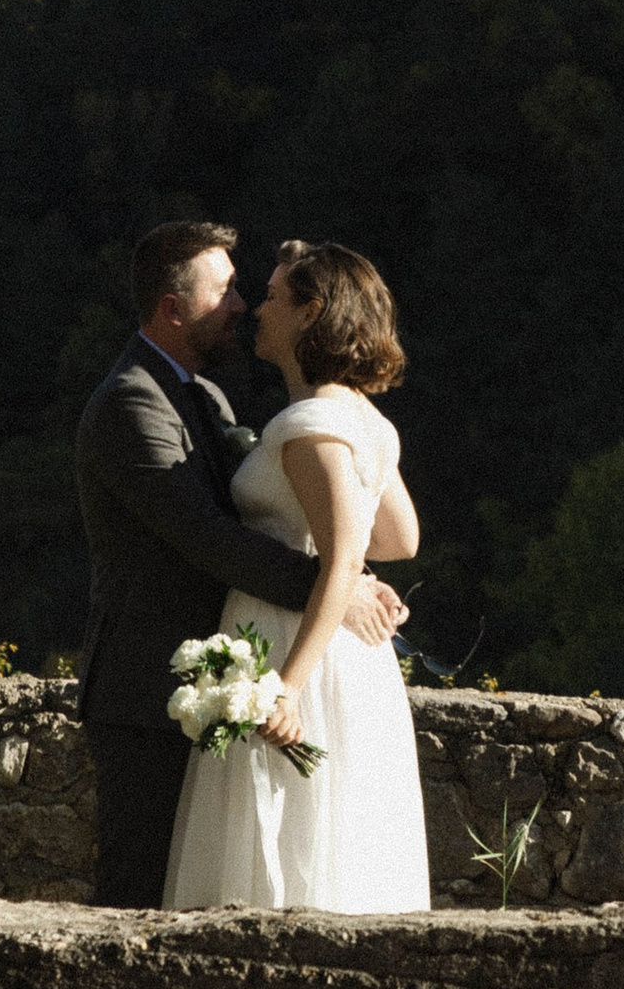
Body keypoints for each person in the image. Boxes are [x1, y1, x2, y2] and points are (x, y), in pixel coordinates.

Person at [75, 220, 410, 907]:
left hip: (237, 671)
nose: (243, 306)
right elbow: (206, 538)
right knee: (141, 894)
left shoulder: (211, 399)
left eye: (253, 293)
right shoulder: (133, 401)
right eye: (225, 291)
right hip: (151, 688)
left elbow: (362, 535)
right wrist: (338, 586)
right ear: (174, 308)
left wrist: (344, 571)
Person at [163, 236, 431, 913]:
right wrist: (353, 572)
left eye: (274, 296)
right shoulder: (363, 417)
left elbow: (343, 557)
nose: (258, 309)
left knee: (283, 843)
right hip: (349, 658)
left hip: (295, 650)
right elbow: (398, 538)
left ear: (311, 312)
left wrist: (285, 687)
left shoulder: (310, 424)